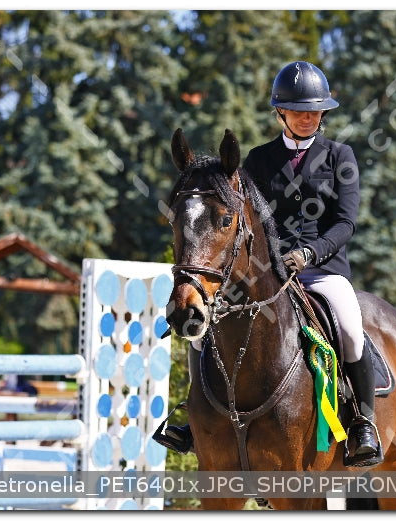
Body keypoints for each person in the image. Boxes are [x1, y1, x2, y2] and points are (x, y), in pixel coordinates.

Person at [157, 61, 382, 468]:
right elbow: (245, 218)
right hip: (265, 271)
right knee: (201, 333)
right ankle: (194, 419)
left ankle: (363, 422)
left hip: (322, 270)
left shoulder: (339, 156)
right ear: (281, 112)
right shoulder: (259, 160)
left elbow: (345, 223)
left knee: (350, 327)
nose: (307, 117)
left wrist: (310, 254)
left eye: (314, 111)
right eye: (298, 110)